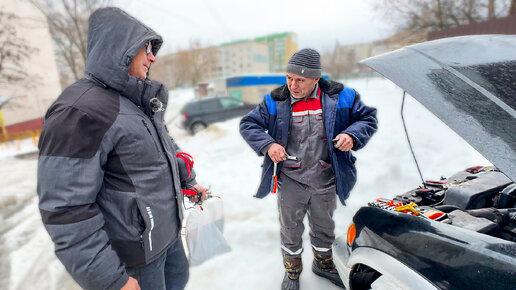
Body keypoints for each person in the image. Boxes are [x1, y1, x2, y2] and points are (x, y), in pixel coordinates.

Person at [37, 7, 208, 290]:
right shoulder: (80, 110)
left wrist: (187, 182)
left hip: (168, 240)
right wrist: (110, 280)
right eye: (146, 48)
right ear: (122, 49)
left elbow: (159, 157)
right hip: (135, 262)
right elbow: (66, 210)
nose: (153, 57)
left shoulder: (135, 102)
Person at [240, 48, 378, 289]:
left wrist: (351, 135)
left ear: (316, 79)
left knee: (324, 227)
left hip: (325, 177)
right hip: (290, 178)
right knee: (290, 228)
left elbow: (367, 119)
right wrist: (268, 144)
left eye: (300, 80)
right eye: (289, 78)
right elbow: (249, 123)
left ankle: (323, 264)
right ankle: (292, 272)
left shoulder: (342, 97)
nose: (293, 85)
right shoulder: (275, 101)